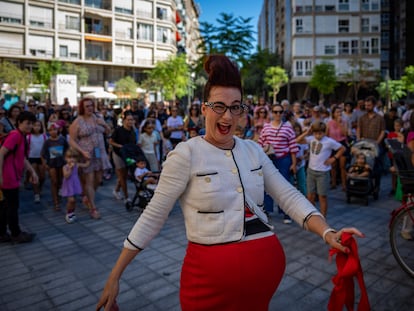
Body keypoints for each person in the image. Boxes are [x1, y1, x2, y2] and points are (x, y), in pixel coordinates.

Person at [96, 55, 363, 311]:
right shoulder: (185, 154)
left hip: (262, 282)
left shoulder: (253, 150)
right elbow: (154, 215)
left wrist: (327, 232)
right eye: (219, 106)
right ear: (204, 109)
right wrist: (115, 275)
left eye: (235, 107)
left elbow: (288, 196)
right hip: (207, 287)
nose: (227, 116)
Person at [0, 111, 38, 243]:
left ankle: (2, 233)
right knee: (12, 206)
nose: (30, 126)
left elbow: (22, 157)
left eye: (32, 123)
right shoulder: (15, 135)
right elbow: (1, 153)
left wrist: (32, 171)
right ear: (19, 123)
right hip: (8, 177)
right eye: (27, 123)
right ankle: (16, 234)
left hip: (12, 176)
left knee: (5, 206)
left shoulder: (21, 136)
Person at [258, 103, 298, 223]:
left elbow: (293, 147)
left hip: (284, 160)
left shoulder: (288, 127)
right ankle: (267, 210)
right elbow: (260, 145)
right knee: (267, 186)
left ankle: (286, 213)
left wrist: (294, 164)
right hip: (268, 159)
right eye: (275, 112)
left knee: (284, 187)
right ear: (271, 113)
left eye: (280, 112)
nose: (278, 114)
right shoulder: (266, 127)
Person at [69, 98, 108, 219]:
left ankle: (87, 197)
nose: (90, 108)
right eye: (87, 106)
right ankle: (93, 207)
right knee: (89, 180)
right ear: (82, 108)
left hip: (99, 152)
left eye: (91, 105)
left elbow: (108, 131)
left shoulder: (97, 118)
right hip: (87, 154)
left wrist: (104, 124)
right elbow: (71, 140)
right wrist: (82, 151)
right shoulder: (78, 121)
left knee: (99, 178)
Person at [297, 121, 345, 217]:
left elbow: (342, 148)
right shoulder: (311, 139)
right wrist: (307, 133)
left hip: (323, 172)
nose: (318, 136)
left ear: (324, 132)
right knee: (310, 195)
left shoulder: (329, 141)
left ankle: (323, 216)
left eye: (320, 133)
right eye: (315, 133)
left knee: (322, 196)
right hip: (311, 171)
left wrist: (333, 158)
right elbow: (297, 140)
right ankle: (313, 215)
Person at [109, 114, 137, 203]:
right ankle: (126, 196)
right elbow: (111, 141)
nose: (130, 121)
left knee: (124, 175)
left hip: (128, 154)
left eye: (132, 120)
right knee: (122, 175)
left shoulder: (133, 130)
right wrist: (120, 146)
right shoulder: (118, 130)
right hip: (118, 154)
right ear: (124, 120)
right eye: (128, 120)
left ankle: (116, 190)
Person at [41, 122, 68, 211]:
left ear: (58, 130)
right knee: (54, 181)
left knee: (60, 181)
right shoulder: (47, 142)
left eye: (55, 129)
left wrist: (67, 159)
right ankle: (55, 202)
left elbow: (67, 149)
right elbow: (42, 154)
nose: (53, 132)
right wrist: (45, 164)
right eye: (51, 130)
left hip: (61, 163)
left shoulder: (62, 139)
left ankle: (58, 195)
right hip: (51, 163)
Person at [61, 148, 90, 224]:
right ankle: (68, 213)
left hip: (75, 184)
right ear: (66, 158)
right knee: (71, 200)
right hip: (68, 185)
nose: (72, 160)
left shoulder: (77, 165)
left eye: (74, 158)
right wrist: (70, 168)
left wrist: (88, 158)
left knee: (74, 201)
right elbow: (66, 176)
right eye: (69, 158)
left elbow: (86, 165)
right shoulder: (65, 167)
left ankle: (72, 212)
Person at [327, 105, 349, 191]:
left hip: (341, 143)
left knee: (342, 165)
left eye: (340, 112)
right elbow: (326, 134)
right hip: (332, 144)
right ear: (333, 113)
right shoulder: (329, 123)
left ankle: (344, 185)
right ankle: (333, 182)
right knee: (333, 165)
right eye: (337, 112)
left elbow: (345, 134)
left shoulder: (344, 122)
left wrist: (340, 124)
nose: (339, 114)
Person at [27, 120, 47, 203]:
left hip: (41, 158)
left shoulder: (44, 136)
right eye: (35, 125)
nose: (37, 127)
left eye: (39, 125)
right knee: (34, 176)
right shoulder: (28, 137)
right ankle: (36, 194)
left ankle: (40, 188)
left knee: (42, 176)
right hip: (32, 157)